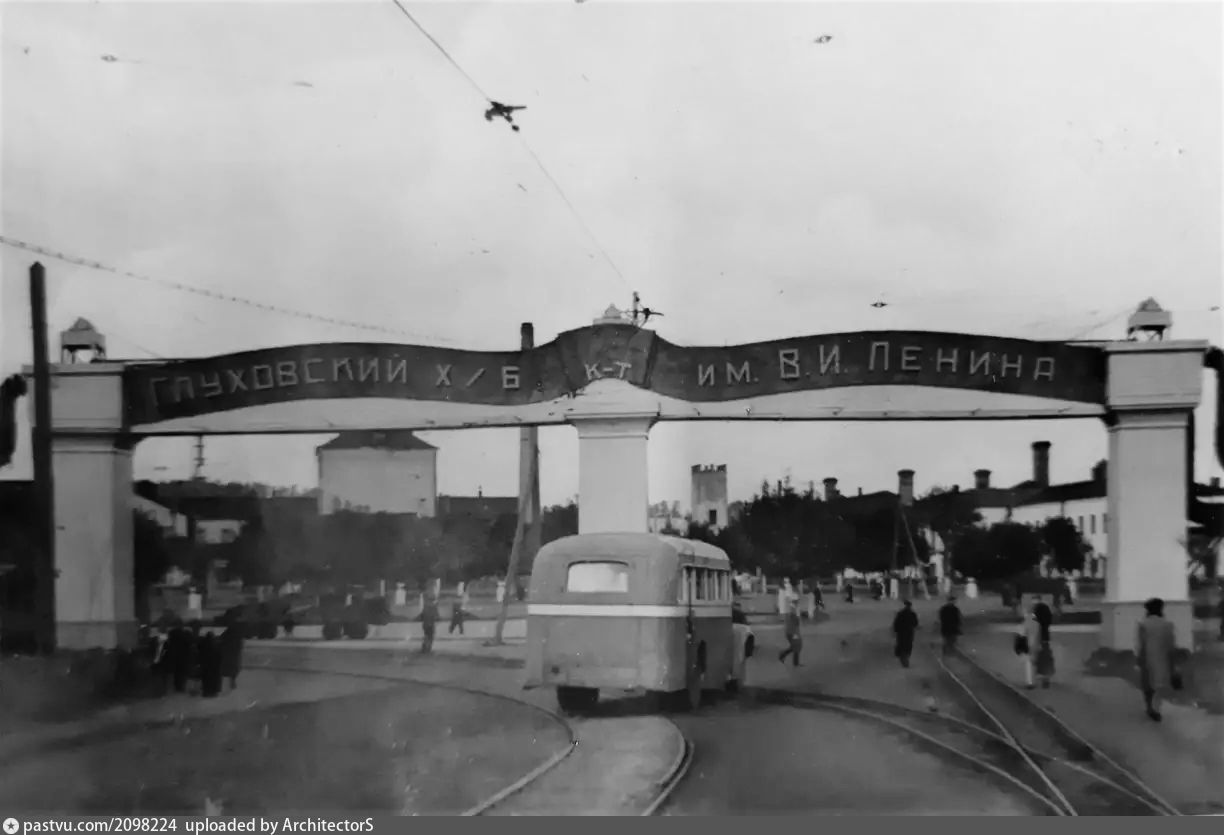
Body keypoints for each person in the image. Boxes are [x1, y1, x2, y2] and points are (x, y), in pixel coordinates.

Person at [1136, 597, 1178, 722]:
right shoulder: (1168, 624)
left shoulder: (1143, 624)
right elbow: (1171, 645)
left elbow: (1141, 644)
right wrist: (1173, 663)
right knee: (1158, 684)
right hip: (1162, 657)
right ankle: (1155, 708)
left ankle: (1150, 707)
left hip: (1147, 657)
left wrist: (1139, 658)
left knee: (1148, 684)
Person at [1018, 603, 1052, 689]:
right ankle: (1042, 678)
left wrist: (1020, 644)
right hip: (1037, 644)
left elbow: (1023, 632)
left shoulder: (1029, 620)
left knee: (1030, 662)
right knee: (1037, 661)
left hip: (1030, 644)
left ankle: (1030, 682)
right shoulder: (1039, 621)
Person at [892, 600, 919, 668]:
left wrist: (895, 631)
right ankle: (905, 659)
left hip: (901, 632)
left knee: (901, 644)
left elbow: (896, 623)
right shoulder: (912, 614)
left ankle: (902, 658)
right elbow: (915, 623)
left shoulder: (900, 614)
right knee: (908, 646)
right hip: (909, 632)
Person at [778, 598, 803, 668]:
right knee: (796, 646)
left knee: (796, 646)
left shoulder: (793, 612)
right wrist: (794, 634)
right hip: (792, 633)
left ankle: (786, 657)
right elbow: (792, 624)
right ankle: (782, 655)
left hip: (792, 632)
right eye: (797, 604)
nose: (798, 605)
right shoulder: (792, 613)